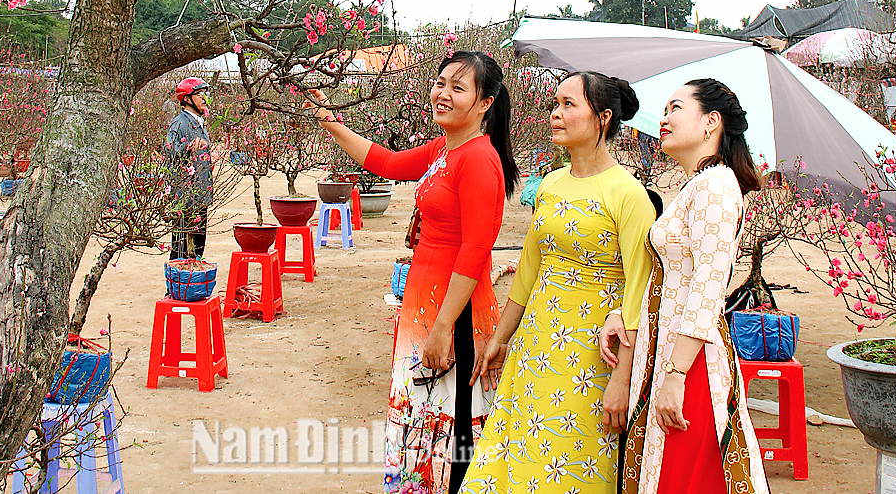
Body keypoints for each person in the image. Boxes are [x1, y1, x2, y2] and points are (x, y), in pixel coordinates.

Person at [305, 51, 520, 494]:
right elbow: (385, 162)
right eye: (440, 83)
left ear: (485, 103)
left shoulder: (479, 158)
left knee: (452, 431)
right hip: (424, 304)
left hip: (455, 314)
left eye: (458, 88)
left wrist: (443, 327)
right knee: (420, 420)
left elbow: (475, 251)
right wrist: (330, 121)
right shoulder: (445, 148)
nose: (443, 94)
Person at [459, 72, 655, 493]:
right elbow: (529, 270)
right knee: (512, 460)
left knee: (567, 468)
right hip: (536, 346)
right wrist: (501, 338)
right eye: (555, 104)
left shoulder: (629, 194)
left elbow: (640, 292)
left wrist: (622, 379)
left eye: (569, 105)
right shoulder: (549, 184)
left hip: (593, 358)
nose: (555, 114)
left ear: (603, 118)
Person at [600, 78, 769, 494]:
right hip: (670, 355)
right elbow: (674, 276)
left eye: (676, 108)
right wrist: (626, 313)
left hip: (690, 366)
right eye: (664, 110)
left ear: (711, 122)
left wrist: (675, 376)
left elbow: (708, 288)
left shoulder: (716, 186)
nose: (664, 118)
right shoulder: (697, 185)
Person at [166, 77, 213, 260]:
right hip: (185, 197)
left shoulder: (199, 122)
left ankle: (193, 277)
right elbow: (169, 151)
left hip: (199, 194)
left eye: (205, 94)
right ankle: (176, 280)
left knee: (198, 247)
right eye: (200, 94)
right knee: (180, 250)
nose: (204, 98)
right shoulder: (180, 123)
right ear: (187, 99)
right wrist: (188, 147)